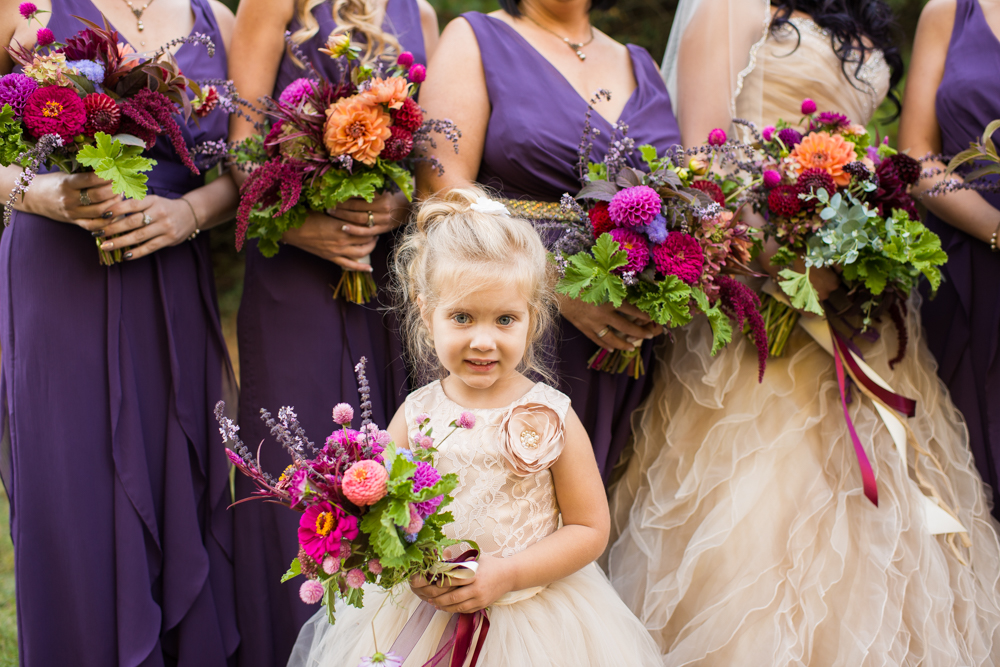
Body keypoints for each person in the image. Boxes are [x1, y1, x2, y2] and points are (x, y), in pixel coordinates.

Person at [606, 1, 1000, 664]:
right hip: (761, 301)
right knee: (760, 524)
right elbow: (703, 167)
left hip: (858, 295)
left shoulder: (855, 18)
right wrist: (780, 255)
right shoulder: (730, 8)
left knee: (878, 521)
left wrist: (859, 242)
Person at [288, 187, 662, 667]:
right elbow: (383, 515)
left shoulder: (554, 414)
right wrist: (406, 568)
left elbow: (589, 528)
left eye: (505, 319)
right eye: (461, 317)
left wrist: (506, 575)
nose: (483, 341)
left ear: (533, 319)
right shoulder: (417, 413)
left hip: (533, 620)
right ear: (426, 314)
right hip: (424, 615)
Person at [0, 0, 240, 664]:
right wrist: (39, 192)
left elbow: (241, 170)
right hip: (57, 280)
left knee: (180, 485)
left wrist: (189, 212)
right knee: (75, 499)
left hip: (169, 277)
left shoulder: (217, 18)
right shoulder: (28, 7)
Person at [226, 0, 438, 663]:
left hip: (381, 278)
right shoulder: (271, 5)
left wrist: (391, 202)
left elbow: (425, 160)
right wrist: (303, 225)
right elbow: (239, 146)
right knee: (297, 483)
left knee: (390, 480)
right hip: (292, 277)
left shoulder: (420, 13)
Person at [415, 0, 679, 484]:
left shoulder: (641, 62)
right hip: (515, 331)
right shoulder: (473, 38)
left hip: (626, 342)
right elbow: (442, 187)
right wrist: (549, 286)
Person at [897, 0, 1000, 523]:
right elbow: (917, 154)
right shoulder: (948, 12)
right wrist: (996, 227)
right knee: (977, 460)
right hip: (967, 265)